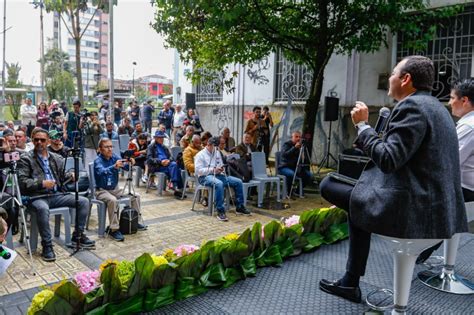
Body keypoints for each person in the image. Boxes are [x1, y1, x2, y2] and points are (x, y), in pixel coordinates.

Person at [318, 55, 468, 303]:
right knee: (358, 199)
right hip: (438, 206)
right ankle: (349, 281)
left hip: (415, 209)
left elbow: (388, 160)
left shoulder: (412, 107)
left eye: (393, 73)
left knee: (328, 184)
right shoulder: (437, 109)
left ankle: (350, 281)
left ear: (406, 79)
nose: (389, 78)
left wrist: (363, 126)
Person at [18, 128, 95, 262]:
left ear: (48, 141)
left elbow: (61, 177)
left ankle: (78, 235)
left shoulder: (56, 158)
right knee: (42, 209)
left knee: (83, 201)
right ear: (32, 140)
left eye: (43, 140)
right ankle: (47, 245)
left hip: (56, 195)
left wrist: (71, 176)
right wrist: (42, 183)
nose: (39, 142)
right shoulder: (26, 158)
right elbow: (23, 182)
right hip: (37, 197)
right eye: (36, 140)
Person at [94, 138, 145, 242]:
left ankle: (135, 221)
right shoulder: (97, 161)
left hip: (114, 189)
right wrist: (114, 166)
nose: (110, 149)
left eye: (111, 146)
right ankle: (114, 229)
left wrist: (130, 162)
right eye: (106, 147)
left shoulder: (114, 157)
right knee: (113, 200)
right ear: (100, 149)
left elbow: (125, 167)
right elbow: (101, 172)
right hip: (101, 190)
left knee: (135, 196)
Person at [194, 137, 251, 221]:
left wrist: (221, 168)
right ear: (209, 145)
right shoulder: (200, 155)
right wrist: (212, 170)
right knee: (219, 184)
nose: (216, 149)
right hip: (204, 177)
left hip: (218, 174)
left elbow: (220, 164)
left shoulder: (217, 152)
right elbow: (198, 170)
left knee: (238, 181)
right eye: (215, 146)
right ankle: (220, 211)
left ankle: (240, 207)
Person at [450, 79, 474, 202]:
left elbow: (449, 160)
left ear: (464, 100)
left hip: (466, 190)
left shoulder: (469, 126)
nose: (450, 103)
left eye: (452, 98)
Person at [146, 130, 183, 197]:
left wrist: (168, 161)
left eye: (162, 137)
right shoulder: (151, 147)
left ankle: (175, 185)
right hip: (157, 166)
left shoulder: (164, 147)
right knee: (175, 166)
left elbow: (171, 157)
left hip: (167, 165)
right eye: (160, 138)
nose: (161, 139)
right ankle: (176, 187)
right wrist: (160, 162)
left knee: (175, 166)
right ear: (156, 138)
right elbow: (149, 159)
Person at [278, 131, 312, 196]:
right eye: (296, 137)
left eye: (299, 137)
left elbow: (303, 160)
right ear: (292, 137)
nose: (298, 138)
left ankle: (298, 191)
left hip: (295, 168)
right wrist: (294, 148)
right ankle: (288, 192)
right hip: (284, 167)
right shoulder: (287, 144)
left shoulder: (300, 146)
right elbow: (285, 155)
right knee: (291, 174)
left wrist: (303, 154)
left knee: (308, 175)